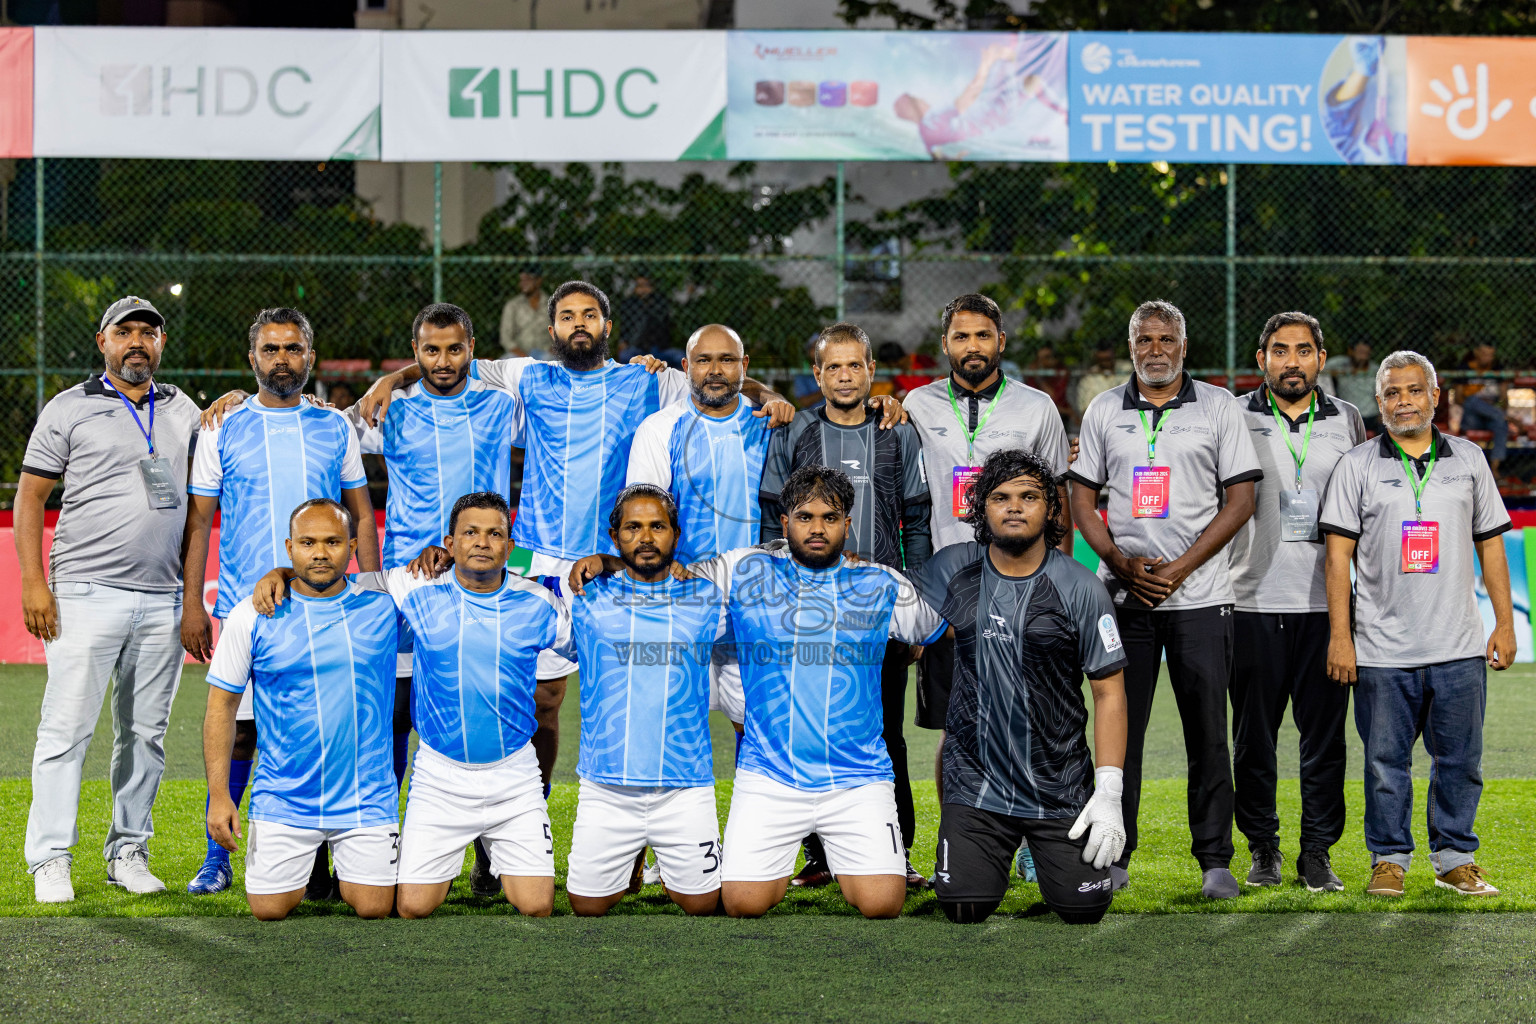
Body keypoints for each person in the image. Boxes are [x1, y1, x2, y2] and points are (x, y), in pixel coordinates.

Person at [354, 281, 797, 812]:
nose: (579, 324)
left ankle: (649, 827)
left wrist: (772, 397)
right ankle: (529, 818)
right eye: (568, 316)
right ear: (553, 330)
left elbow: (720, 380)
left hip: (617, 567)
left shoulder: (647, 382)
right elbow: (452, 361)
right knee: (542, 701)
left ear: (607, 326)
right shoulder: (527, 376)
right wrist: (390, 378)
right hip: (540, 562)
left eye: (590, 315)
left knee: (638, 699)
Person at [257, 491, 569, 918]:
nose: (481, 542)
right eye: (470, 533)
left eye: (494, 534)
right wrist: (279, 571)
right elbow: (332, 579)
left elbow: (591, 647)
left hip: (514, 775)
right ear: (449, 542)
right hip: (440, 777)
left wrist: (607, 566)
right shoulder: (414, 585)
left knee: (536, 907)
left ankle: (496, 859)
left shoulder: (539, 603)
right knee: (412, 908)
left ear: (509, 547)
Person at [181, 307, 380, 897]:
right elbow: (199, 523)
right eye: (270, 350)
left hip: (325, 602)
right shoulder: (222, 426)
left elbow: (361, 513)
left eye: (293, 349)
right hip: (249, 604)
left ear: (310, 358)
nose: (282, 360)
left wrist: (368, 591)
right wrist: (193, 603)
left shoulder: (333, 427)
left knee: (324, 725)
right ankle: (218, 853)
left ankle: (321, 856)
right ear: (252, 359)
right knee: (241, 733)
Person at [1068, 299, 1261, 900]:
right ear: (1131, 347)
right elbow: (1081, 499)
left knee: (1208, 732)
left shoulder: (1218, 406)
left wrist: (1178, 569)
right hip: (1124, 601)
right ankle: (1114, 853)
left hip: (1202, 597)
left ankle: (1215, 860)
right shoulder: (1104, 409)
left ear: (1184, 344)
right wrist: (1121, 564)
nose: (1156, 349)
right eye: (1144, 339)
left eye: (1166, 338)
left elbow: (1241, 500)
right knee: (1121, 731)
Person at [692, 466, 945, 919]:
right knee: (742, 905)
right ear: (785, 521)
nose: (817, 528)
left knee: (881, 905)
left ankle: (855, 860)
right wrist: (611, 563)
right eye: (804, 517)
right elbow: (668, 581)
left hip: (858, 778)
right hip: (769, 775)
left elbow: (935, 626)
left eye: (830, 517)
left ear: (847, 525)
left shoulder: (880, 583)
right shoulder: (744, 569)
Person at [19, 296, 202, 903]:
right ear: (103, 342)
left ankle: (128, 851)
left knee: (146, 734)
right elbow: (29, 500)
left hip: (163, 597)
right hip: (83, 591)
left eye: (148, 333)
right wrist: (32, 581)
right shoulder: (69, 407)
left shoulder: (184, 410)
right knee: (66, 730)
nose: (137, 342)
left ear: (162, 343)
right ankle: (49, 858)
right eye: (125, 332)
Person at [1321, 350, 1515, 898]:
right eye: (1392, 393)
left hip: (1457, 644)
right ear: (1378, 403)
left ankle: (1454, 857)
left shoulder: (1470, 460)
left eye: (1413, 391)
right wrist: (1342, 637)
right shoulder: (1357, 465)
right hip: (1382, 648)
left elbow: (1491, 546)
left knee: (1460, 761)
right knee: (1385, 764)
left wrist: (1503, 623)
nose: (1403, 401)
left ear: (1435, 396)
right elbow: (1336, 558)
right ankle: (1389, 859)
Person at [911, 449, 1128, 925]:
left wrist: (1109, 793)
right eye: (1000, 497)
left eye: (1029, 496)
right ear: (980, 508)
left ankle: (1040, 850)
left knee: (1082, 907)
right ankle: (986, 851)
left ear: (1050, 509)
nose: (1014, 507)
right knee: (963, 907)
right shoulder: (950, 569)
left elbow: (1110, 692)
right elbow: (904, 626)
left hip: (1058, 785)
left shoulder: (1082, 588)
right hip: (975, 785)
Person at [759, 322, 932, 889]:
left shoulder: (897, 431)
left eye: (854, 365)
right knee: (807, 723)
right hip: (805, 610)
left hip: (876, 614)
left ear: (870, 371)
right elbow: (770, 520)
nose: (844, 375)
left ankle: (896, 848)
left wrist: (914, 605)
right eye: (833, 367)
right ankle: (820, 855)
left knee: (884, 732)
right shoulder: (795, 432)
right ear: (818, 374)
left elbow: (919, 522)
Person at [902, 293, 1070, 816]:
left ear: (1001, 340)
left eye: (982, 335)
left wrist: (1055, 587)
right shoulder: (914, 407)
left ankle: (1028, 832)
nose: (972, 346)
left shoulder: (1036, 406)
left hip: (1021, 583)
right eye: (960, 336)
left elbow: (1057, 502)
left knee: (1029, 715)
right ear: (945, 344)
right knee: (957, 724)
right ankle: (959, 830)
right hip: (947, 590)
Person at [204, 499, 402, 921]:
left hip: (366, 799)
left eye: (332, 542)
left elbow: (458, 577)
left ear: (352, 546)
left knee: (374, 908)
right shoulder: (253, 614)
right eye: (308, 542)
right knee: (268, 911)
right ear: (289, 547)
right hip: (284, 799)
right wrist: (219, 796)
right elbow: (222, 706)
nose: (320, 552)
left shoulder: (385, 604)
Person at [1228, 312, 1367, 892]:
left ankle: (1317, 852)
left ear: (1320, 358)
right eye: (1280, 350)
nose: (1292, 361)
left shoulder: (1349, 420)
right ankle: (1263, 849)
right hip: (1249, 601)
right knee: (1253, 739)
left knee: (1325, 740)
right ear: (1262, 359)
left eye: (1303, 350)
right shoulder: (1232, 415)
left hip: (1326, 609)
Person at [556, 485, 728, 916]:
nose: (646, 538)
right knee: (586, 906)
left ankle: (667, 865)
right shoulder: (584, 596)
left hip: (684, 786)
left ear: (676, 533)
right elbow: (515, 565)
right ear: (614, 537)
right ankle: (630, 863)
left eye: (657, 527)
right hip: (606, 787)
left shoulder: (708, 599)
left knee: (704, 905)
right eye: (633, 528)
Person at [626, 324, 775, 564]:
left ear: (744, 366)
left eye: (726, 360)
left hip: (758, 585)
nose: (715, 370)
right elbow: (641, 518)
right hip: (686, 586)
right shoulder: (658, 429)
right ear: (686, 367)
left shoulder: (769, 426)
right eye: (703, 361)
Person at [893, 39, 1066, 160]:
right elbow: (969, 96)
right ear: (914, 107)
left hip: (993, 116)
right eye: (917, 98)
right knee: (1010, 62)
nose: (922, 99)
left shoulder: (925, 134)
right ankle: (1062, 103)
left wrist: (953, 158)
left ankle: (1058, 102)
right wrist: (986, 64)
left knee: (1026, 81)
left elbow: (935, 155)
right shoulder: (933, 119)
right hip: (995, 112)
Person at [1459, 342, 1507, 479]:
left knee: (1501, 424)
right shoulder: (1465, 368)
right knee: (1472, 400)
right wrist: (1483, 408)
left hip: (1492, 417)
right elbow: (1459, 398)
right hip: (1472, 416)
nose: (1488, 358)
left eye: (1491, 355)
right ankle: (1501, 416)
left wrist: (1496, 409)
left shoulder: (1497, 369)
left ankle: (1495, 469)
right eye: (1485, 354)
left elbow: (1504, 398)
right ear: (1477, 353)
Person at [617, 273, 680, 367]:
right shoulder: (629, 305)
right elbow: (624, 330)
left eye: (646, 285)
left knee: (679, 356)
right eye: (639, 286)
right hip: (638, 349)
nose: (643, 289)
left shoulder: (659, 303)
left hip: (659, 349)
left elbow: (663, 325)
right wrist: (623, 342)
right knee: (625, 355)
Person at [1072, 342, 1132, 421]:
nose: (1105, 362)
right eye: (1102, 360)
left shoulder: (1126, 369)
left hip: (1124, 416)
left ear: (1113, 355)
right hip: (1099, 419)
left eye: (1108, 359)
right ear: (1096, 358)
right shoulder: (1088, 379)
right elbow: (1084, 409)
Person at [1331, 340, 1381, 434]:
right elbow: (1320, 369)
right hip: (1347, 415)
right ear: (1351, 352)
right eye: (1360, 352)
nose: (1362, 357)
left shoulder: (1376, 370)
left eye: (1366, 353)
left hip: (1371, 416)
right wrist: (1340, 373)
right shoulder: (1340, 365)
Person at [499, 267, 549, 358]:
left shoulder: (552, 304)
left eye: (527, 280)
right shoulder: (513, 305)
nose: (523, 284)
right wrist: (523, 357)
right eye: (521, 280)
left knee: (554, 361)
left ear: (538, 281)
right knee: (505, 362)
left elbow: (560, 333)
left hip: (544, 353)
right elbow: (505, 338)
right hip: (519, 353)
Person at [1023, 345, 1073, 425]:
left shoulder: (1060, 372)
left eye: (1046, 357)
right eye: (1039, 359)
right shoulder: (1032, 374)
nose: (1041, 362)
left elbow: (1052, 398)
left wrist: (1039, 378)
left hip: (1058, 414)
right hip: (1036, 413)